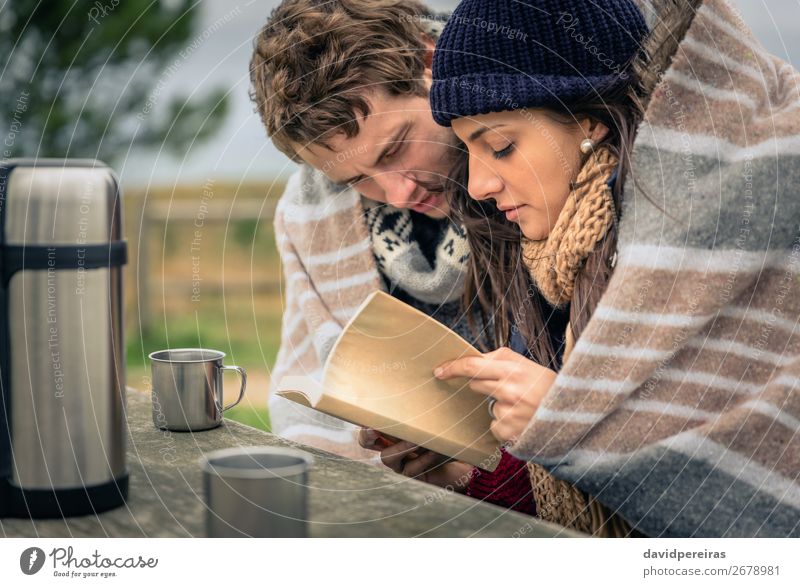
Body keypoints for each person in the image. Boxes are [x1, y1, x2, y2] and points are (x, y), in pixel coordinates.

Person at [430, 0, 800, 537]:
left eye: (500, 146)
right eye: (467, 152)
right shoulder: (552, 260)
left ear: (589, 120)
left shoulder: (728, 250)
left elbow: (768, 500)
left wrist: (573, 423)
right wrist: (461, 468)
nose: (480, 185)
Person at [248, 0, 538, 516]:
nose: (398, 192)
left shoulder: (538, 145)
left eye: (395, 147)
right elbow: (312, 389)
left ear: (430, 63)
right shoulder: (310, 217)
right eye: (356, 179)